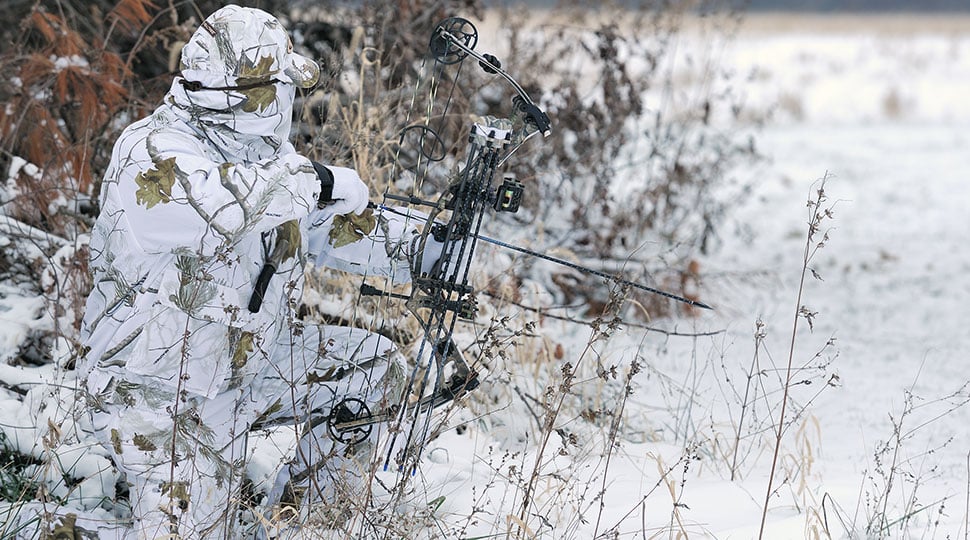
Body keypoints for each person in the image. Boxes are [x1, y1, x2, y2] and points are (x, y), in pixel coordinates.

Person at [76, 5, 426, 538]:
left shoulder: (262, 156)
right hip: (154, 395)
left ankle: (306, 525)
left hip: (245, 370)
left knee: (369, 368)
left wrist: (426, 250)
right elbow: (224, 206)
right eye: (280, 87)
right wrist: (323, 180)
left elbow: (329, 228)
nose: (289, 101)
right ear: (247, 99)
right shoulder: (149, 153)